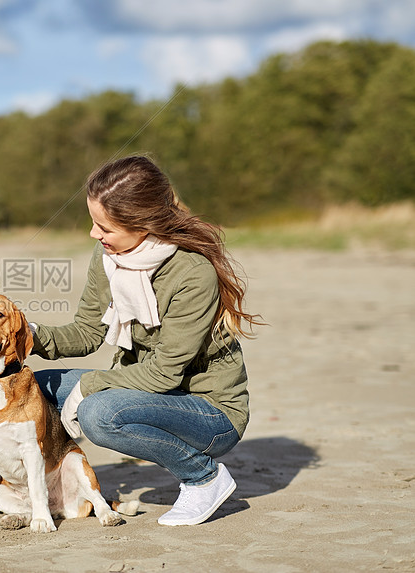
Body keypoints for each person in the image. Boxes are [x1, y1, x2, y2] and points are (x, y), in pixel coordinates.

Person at [30, 154, 261, 526]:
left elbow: (164, 374)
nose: (94, 234)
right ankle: (42, 481)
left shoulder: (191, 273)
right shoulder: (108, 255)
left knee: (98, 415)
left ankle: (205, 478)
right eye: (93, 223)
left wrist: (90, 385)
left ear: (143, 224)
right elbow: (88, 332)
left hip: (210, 413)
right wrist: (31, 334)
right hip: (151, 392)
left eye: (103, 226)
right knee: (38, 388)